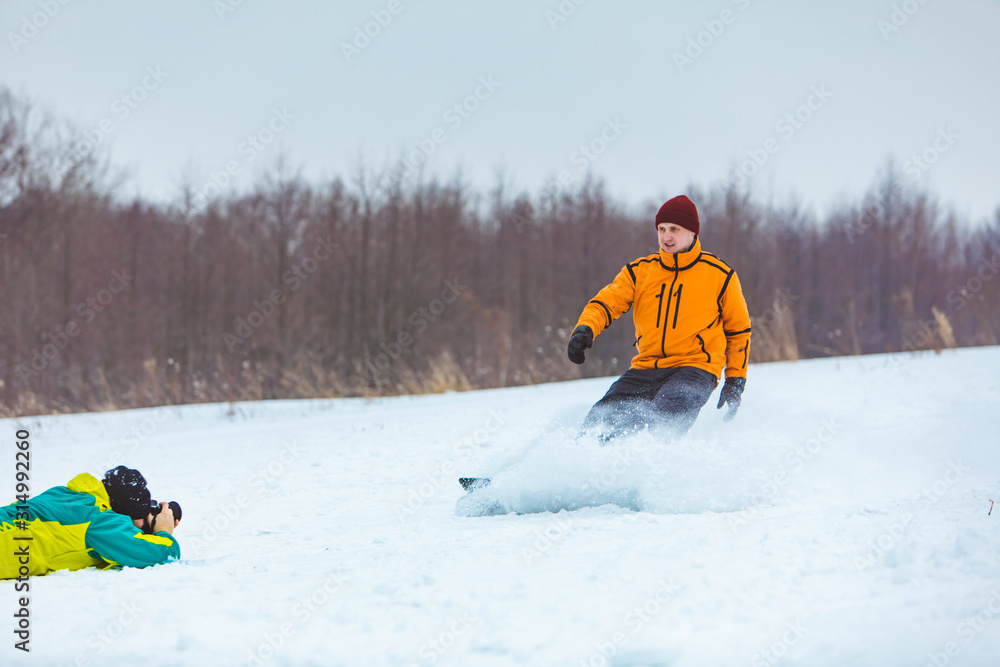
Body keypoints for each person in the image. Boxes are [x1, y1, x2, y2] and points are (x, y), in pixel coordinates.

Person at [568, 194, 752, 440]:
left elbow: (739, 331)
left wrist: (735, 379)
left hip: (695, 368)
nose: (666, 236)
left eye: (674, 229)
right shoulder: (640, 272)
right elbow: (605, 303)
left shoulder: (719, 275)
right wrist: (584, 329)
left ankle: (648, 475)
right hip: (646, 367)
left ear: (692, 232)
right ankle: (578, 472)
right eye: (662, 229)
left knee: (659, 426)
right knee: (597, 426)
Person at [0, 466, 180, 579]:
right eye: (142, 517)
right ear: (124, 513)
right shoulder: (102, 523)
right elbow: (164, 554)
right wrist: (163, 529)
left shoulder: (64, 494)